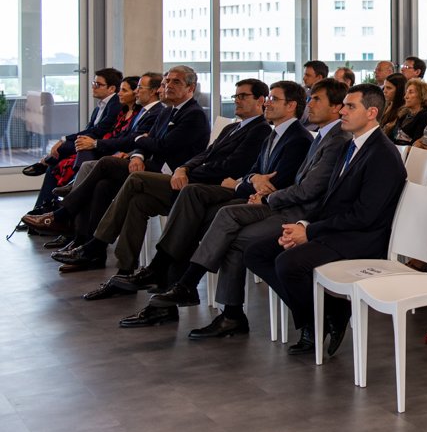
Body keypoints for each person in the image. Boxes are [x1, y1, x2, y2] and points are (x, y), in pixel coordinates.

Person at [144, 78, 350, 339]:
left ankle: (192, 286)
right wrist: (254, 182)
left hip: (298, 212)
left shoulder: (327, 139)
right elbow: (256, 172)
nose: (310, 104)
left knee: (228, 224)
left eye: (316, 99)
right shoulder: (312, 135)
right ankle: (223, 309)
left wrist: (264, 197)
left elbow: (306, 189)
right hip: (279, 201)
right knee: (213, 216)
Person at [111, 81, 314, 321]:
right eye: (268, 98)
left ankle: (173, 279)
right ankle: (171, 287)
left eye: (273, 99)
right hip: (241, 191)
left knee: (195, 207)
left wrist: (240, 184)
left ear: (291, 106)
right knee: (178, 206)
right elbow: (253, 171)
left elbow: (274, 182)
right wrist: (249, 179)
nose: (268, 103)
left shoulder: (293, 137)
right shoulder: (272, 132)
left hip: (261, 201)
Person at [245, 84, 406, 357]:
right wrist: (302, 226)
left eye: (350, 106)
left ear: (372, 113)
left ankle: (314, 324)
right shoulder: (349, 145)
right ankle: (329, 311)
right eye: (343, 105)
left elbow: (364, 216)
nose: (342, 111)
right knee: (256, 252)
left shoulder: (383, 155)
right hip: (337, 229)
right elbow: (329, 200)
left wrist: (310, 232)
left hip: (361, 239)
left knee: (288, 263)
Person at [31, 67, 211, 272]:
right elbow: (147, 142)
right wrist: (137, 155)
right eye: (167, 81)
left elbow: (162, 146)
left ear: (191, 88)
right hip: (152, 167)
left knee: (106, 164)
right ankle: (99, 254)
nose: (168, 85)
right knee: (103, 186)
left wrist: (140, 141)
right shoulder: (168, 110)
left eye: (176, 82)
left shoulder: (193, 114)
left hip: (173, 176)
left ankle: (65, 215)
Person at [22, 67, 123, 190]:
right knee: (55, 164)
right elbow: (90, 128)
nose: (93, 87)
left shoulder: (115, 104)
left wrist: (64, 139)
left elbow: (100, 130)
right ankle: (46, 196)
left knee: (63, 148)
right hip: (90, 142)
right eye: (93, 83)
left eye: (98, 84)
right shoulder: (100, 105)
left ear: (111, 88)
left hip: (100, 145)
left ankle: (46, 162)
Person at [392, 79, 427, 145]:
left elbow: (416, 143)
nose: (405, 97)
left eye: (411, 92)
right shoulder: (403, 114)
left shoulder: (426, 116)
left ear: (422, 95)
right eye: (406, 92)